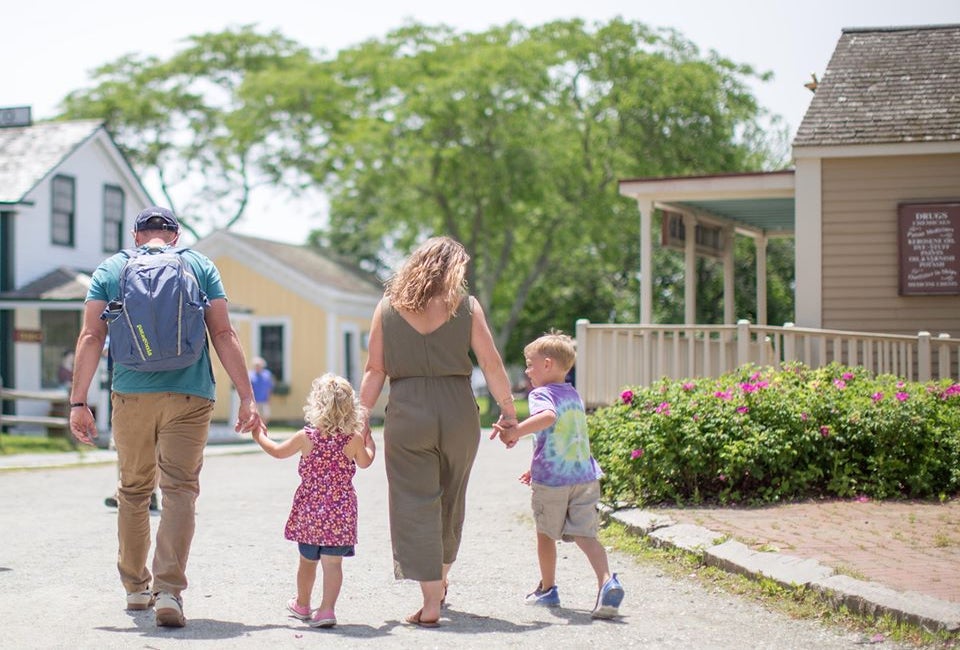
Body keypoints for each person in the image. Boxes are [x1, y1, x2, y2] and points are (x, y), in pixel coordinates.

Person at [68, 206, 266, 628]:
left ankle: (136, 588)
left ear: (137, 236)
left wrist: (78, 402)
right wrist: (248, 397)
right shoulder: (199, 265)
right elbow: (224, 333)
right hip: (190, 394)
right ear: (175, 236)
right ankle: (169, 592)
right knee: (179, 490)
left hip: (132, 394)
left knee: (134, 490)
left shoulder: (112, 268)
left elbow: (91, 335)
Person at [358, 236, 517, 628]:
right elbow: (491, 364)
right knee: (451, 497)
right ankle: (440, 582)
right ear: (454, 269)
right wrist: (509, 412)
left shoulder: (387, 308)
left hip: (409, 410)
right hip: (458, 410)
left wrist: (361, 417)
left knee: (414, 501)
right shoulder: (466, 307)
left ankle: (431, 600)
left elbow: (375, 370)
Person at [493, 330, 624, 619]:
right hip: (584, 477)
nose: (527, 370)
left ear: (548, 364)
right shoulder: (573, 395)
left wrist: (515, 431)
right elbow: (562, 437)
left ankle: (548, 589)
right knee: (586, 535)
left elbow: (548, 418)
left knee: (545, 534)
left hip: (553, 482)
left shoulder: (541, 394)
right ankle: (607, 583)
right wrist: (534, 464)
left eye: (530, 364)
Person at [251, 373, 376, 628]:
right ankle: (327, 610)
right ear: (351, 408)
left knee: (307, 562)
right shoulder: (353, 439)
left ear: (316, 405)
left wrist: (258, 435)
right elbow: (366, 461)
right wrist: (368, 439)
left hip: (310, 511)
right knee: (333, 564)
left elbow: (276, 451)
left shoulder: (306, 436)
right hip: (340, 513)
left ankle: (303, 604)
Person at [249, 356, 274, 425]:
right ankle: (257, 427)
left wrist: (269, 398)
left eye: (259, 365)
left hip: (264, 400)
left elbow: (270, 387)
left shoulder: (267, 374)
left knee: (266, 415)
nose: (257, 367)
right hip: (254, 400)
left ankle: (263, 426)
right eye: (256, 365)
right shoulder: (250, 375)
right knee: (255, 415)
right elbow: (249, 388)